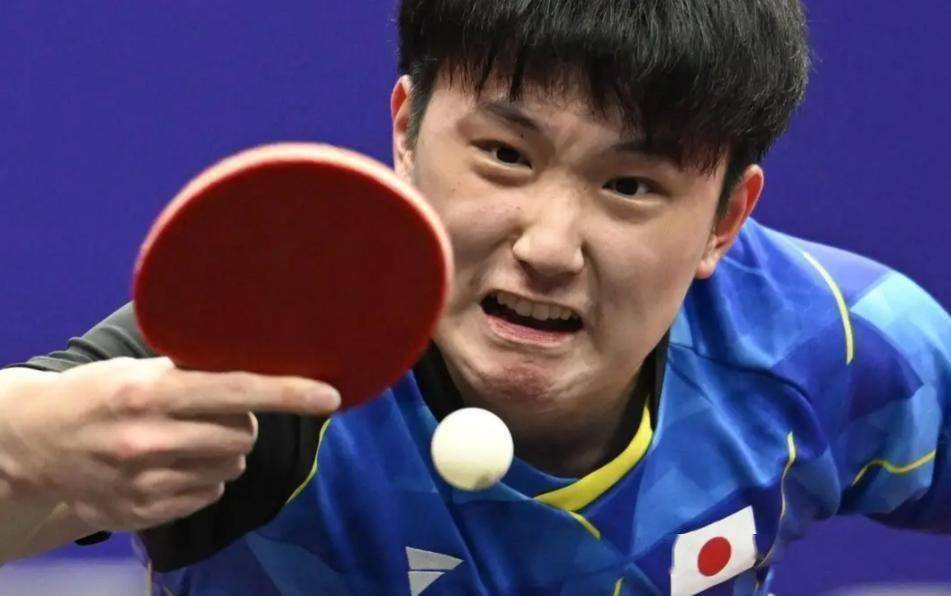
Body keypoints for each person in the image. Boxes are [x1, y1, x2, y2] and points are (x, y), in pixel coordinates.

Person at [1, 0, 949, 594]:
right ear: (406, 133)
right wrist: (30, 450)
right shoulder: (273, 353)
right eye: (503, 154)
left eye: (629, 186)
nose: (547, 248)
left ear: (723, 220)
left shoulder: (831, 346)